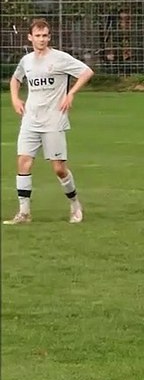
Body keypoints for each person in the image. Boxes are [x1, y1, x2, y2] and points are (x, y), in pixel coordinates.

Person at [5, 18, 94, 225]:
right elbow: (15, 79)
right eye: (38, 35)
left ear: (49, 37)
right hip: (30, 120)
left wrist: (70, 93)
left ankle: (75, 205)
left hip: (53, 120)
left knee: (58, 168)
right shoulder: (26, 61)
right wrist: (15, 99)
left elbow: (87, 72)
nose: (42, 39)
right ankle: (24, 213)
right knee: (23, 162)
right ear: (30, 37)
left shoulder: (60, 58)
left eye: (45, 35)